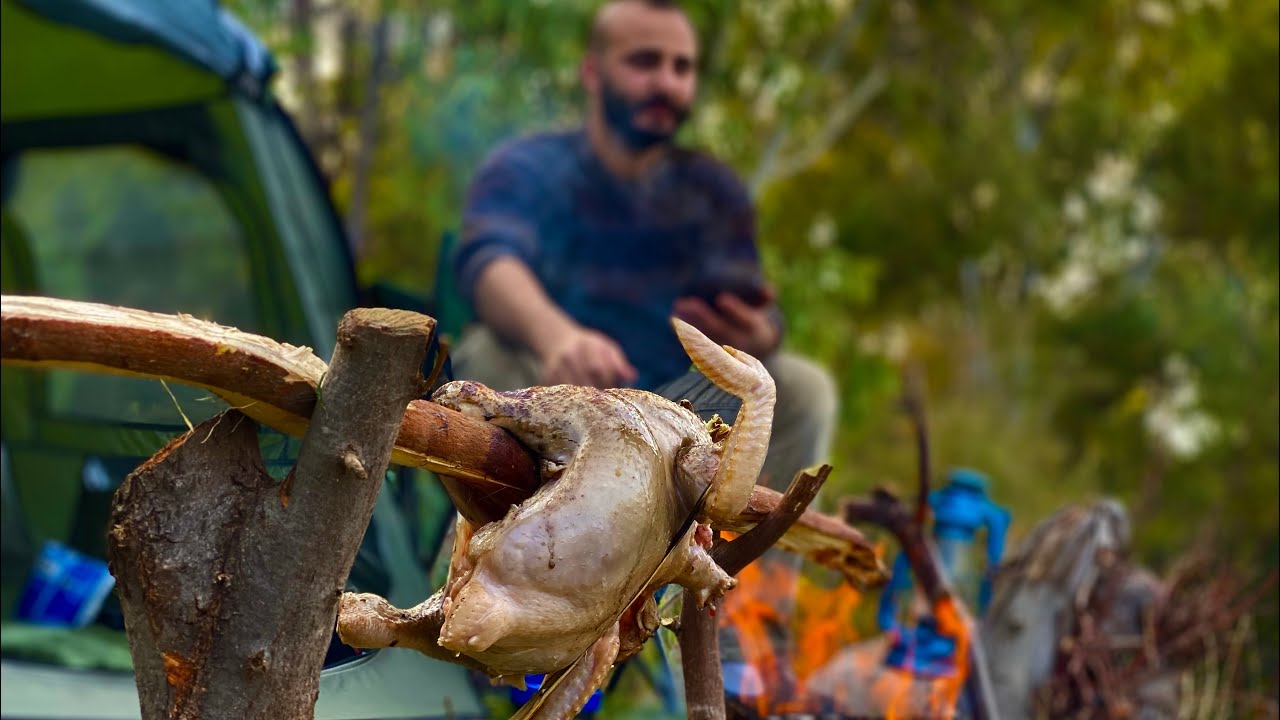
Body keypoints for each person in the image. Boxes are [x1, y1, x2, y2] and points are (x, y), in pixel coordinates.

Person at [450, 0, 837, 495]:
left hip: (680, 413)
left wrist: (758, 332)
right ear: (593, 70)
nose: (667, 83)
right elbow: (490, 264)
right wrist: (559, 339)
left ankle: (741, 568)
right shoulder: (527, 167)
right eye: (644, 61)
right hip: (548, 400)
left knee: (801, 389)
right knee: (484, 353)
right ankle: (487, 558)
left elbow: (756, 311)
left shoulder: (714, 191)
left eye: (682, 67)